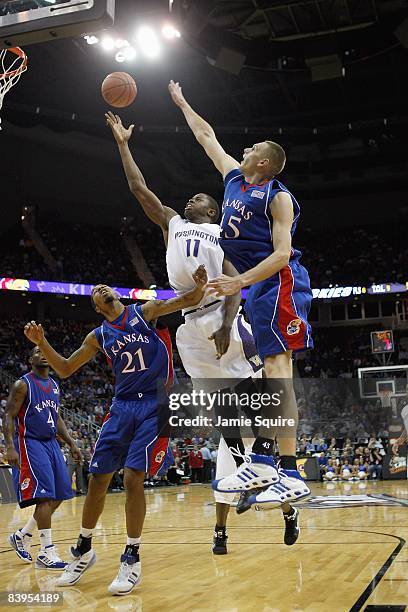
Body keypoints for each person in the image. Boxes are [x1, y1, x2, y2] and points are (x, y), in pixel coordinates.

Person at [106, 112, 284, 555]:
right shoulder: (172, 223)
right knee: (220, 407)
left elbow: (235, 282)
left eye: (199, 198)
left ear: (214, 211)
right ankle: (245, 474)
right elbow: (139, 190)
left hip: (219, 313)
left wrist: (226, 323)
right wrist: (124, 146)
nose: (191, 200)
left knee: (256, 391)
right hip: (188, 326)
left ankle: (265, 461)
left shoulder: (221, 233)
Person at [168, 80, 312, 517]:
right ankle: (272, 464)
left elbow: (283, 254)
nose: (243, 149)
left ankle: (285, 470)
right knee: (271, 373)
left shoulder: (278, 195)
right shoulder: (233, 179)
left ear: (263, 161)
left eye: (251, 148)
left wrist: (238, 283)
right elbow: (206, 137)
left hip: (280, 280)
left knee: (277, 368)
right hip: (258, 287)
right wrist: (182, 102)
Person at [23, 268, 207, 596]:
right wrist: (42, 342)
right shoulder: (99, 336)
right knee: (98, 479)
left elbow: (189, 299)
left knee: (134, 477)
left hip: (155, 404)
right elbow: (65, 368)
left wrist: (201, 284)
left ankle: (132, 556)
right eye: (96, 288)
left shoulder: (145, 311)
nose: (101, 287)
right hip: (122, 407)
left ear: (117, 295)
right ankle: (83, 548)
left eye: (105, 284)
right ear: (96, 307)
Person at [3, 346, 81, 569]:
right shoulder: (23, 384)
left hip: (51, 443)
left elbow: (55, 418)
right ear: (30, 359)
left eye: (46, 350)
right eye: (37, 351)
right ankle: (46, 551)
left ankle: (22, 536)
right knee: (44, 497)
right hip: (30, 442)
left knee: (60, 494)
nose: (43, 354)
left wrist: (72, 443)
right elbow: (8, 414)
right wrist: (10, 446)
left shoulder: (55, 385)